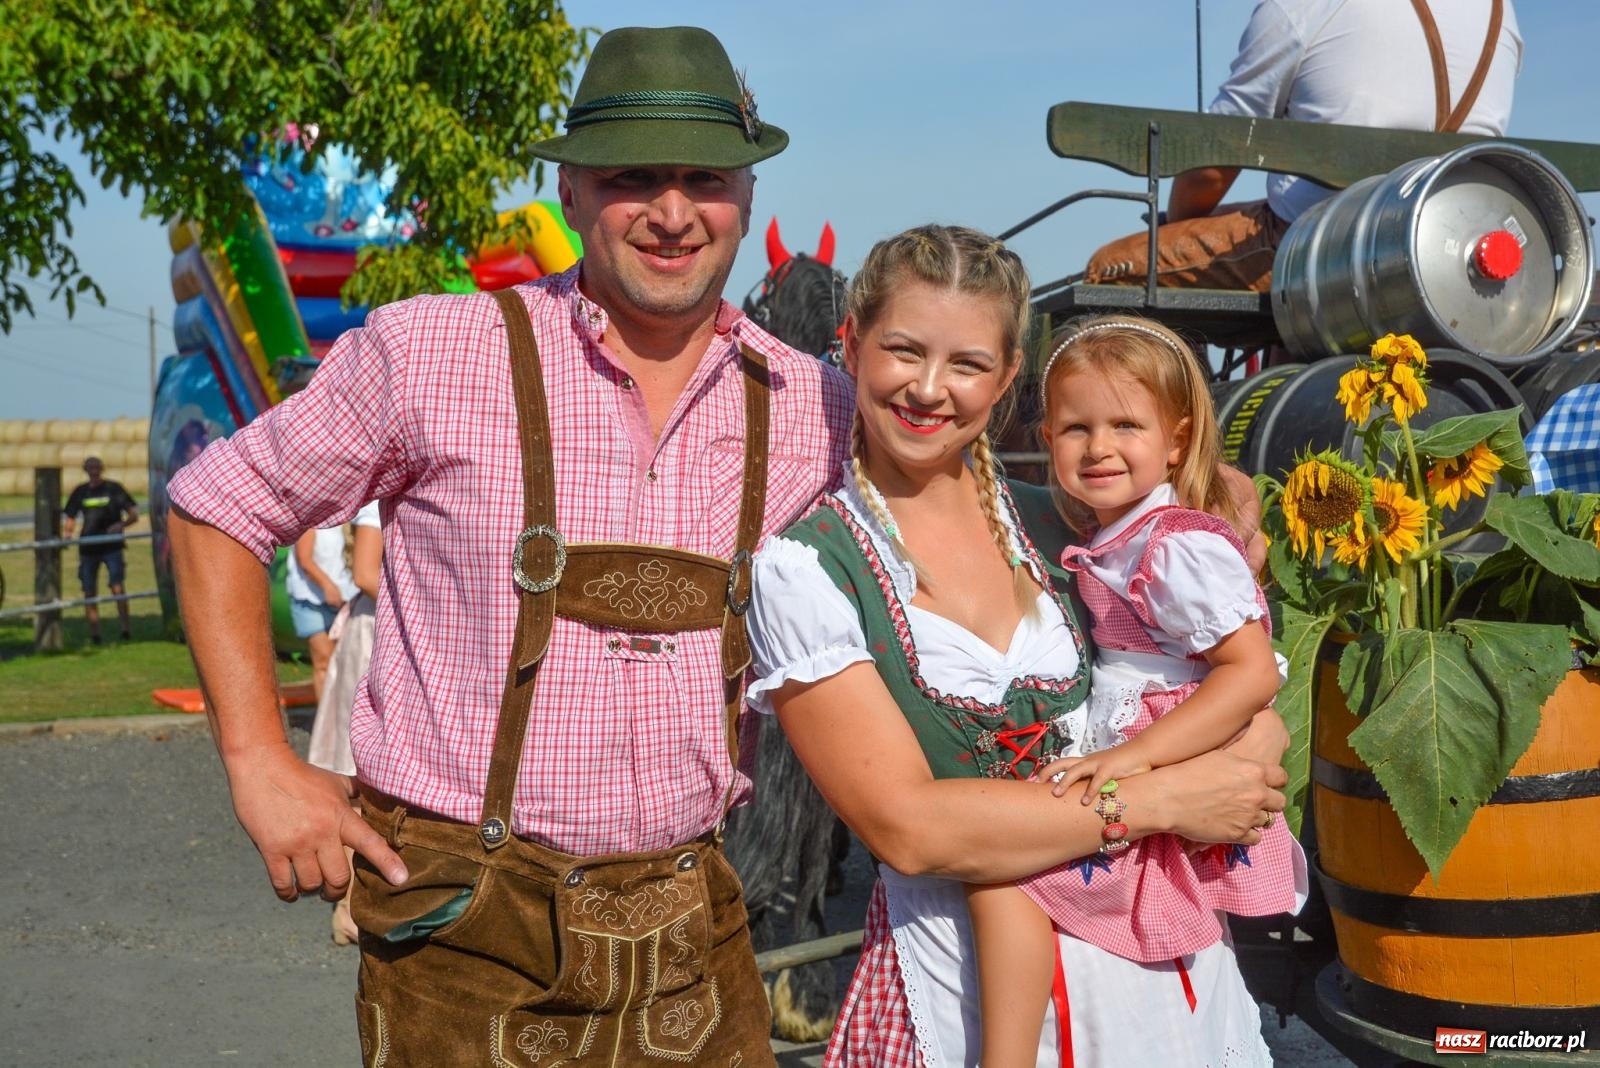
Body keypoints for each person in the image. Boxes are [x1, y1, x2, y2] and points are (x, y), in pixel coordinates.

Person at [166, 28, 1286, 1064]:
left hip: (690, 925)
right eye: (629, 179)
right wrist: (262, 764)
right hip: (465, 924)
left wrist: (1191, 489)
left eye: (703, 178)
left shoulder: (816, 400)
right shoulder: (431, 353)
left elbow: (986, 439)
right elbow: (218, 505)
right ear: (569, 186)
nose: (670, 210)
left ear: (747, 191)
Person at [746, 226, 1293, 1067]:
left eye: (967, 364)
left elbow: (1226, 670)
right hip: (964, 983)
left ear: (1007, 381)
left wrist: (1252, 748)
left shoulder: (1076, 527)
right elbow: (910, 829)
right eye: (902, 351)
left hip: (1158, 971)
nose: (929, 390)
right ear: (850, 344)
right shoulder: (810, 570)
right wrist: (1167, 799)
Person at [963, 315, 1308, 1067]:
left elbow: (1248, 669)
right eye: (1077, 428)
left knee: (1007, 878)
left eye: (1127, 424)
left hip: (1166, 749)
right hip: (1142, 741)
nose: (1100, 447)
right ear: (1048, 435)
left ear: (1176, 441)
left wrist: (1141, 757)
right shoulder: (1123, 533)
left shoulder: (1174, 544)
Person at [1084, 0, 1521, 292]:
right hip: (1454, 240)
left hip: (1325, 243)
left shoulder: (1304, 6)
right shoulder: (1500, 13)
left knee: (1110, 269)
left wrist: (1175, 225)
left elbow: (1212, 163)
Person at [306, 500, 383, 945]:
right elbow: (365, 574)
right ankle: (348, 905)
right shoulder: (379, 505)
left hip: (392, 630)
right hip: (377, 634)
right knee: (359, 772)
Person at [62, 455, 140, 644]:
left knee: (117, 587)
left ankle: (125, 630)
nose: (94, 470)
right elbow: (70, 517)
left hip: (112, 546)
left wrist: (120, 525)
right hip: (88, 547)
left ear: (102, 468)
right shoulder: (80, 491)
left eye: (97, 467)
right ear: (85, 470)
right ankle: (95, 633)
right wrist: (67, 534)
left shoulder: (114, 489)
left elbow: (133, 514)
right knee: (89, 591)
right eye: (90, 467)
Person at [286, 523, 356, 701]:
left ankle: (346, 715)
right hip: (311, 598)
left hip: (347, 598)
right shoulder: (312, 521)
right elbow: (305, 560)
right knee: (324, 660)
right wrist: (328, 586)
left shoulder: (356, 517)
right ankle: (326, 722)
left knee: (348, 662)